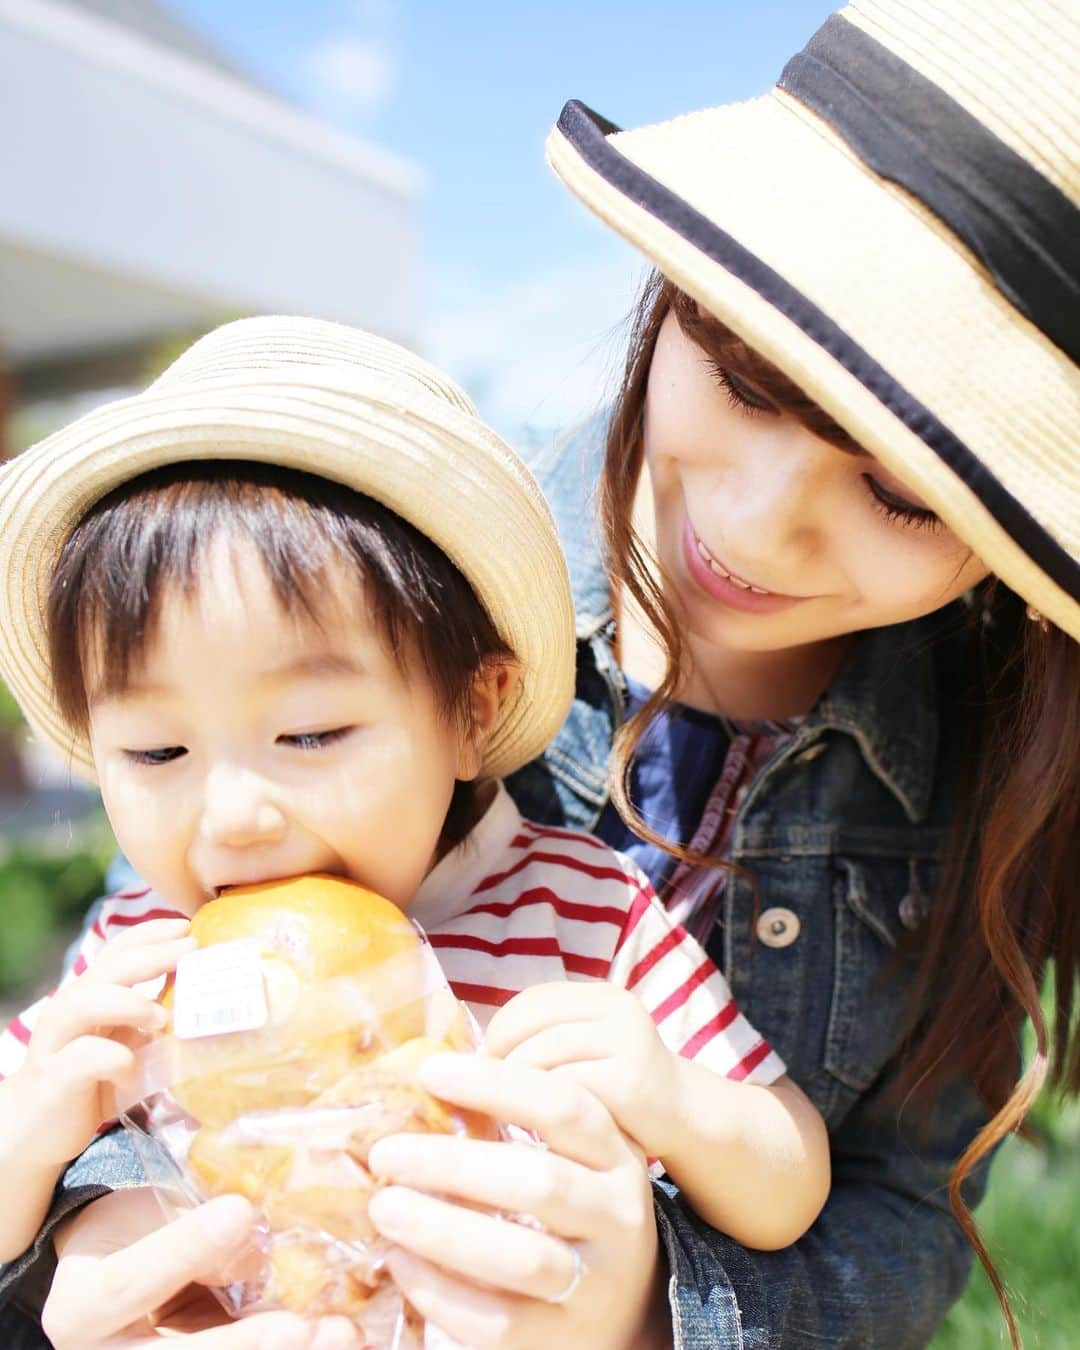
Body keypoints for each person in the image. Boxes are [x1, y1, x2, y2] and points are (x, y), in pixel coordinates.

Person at [1, 0, 1077, 1346]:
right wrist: (79, 1260)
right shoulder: (344, 598)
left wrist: (642, 1307)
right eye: (746, 376)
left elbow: (890, 1212)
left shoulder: (950, 773)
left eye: (906, 495)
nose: (752, 524)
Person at [0, 318, 828, 1345]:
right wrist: (28, 1138)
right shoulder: (139, 957)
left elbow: (789, 1180)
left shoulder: (580, 913)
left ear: (473, 714)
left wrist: (671, 1100)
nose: (233, 815)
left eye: (309, 733)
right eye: (156, 753)